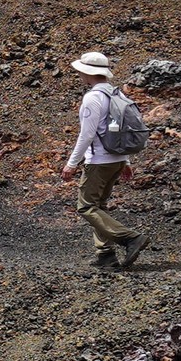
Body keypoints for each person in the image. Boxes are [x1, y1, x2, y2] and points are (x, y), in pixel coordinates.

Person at [61, 50, 149, 268]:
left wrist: (71, 164)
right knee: (99, 205)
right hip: (117, 160)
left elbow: (87, 135)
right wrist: (126, 161)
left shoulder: (92, 98)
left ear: (87, 73)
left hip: (99, 161)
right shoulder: (118, 95)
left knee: (86, 207)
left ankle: (129, 238)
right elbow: (122, 131)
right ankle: (105, 255)